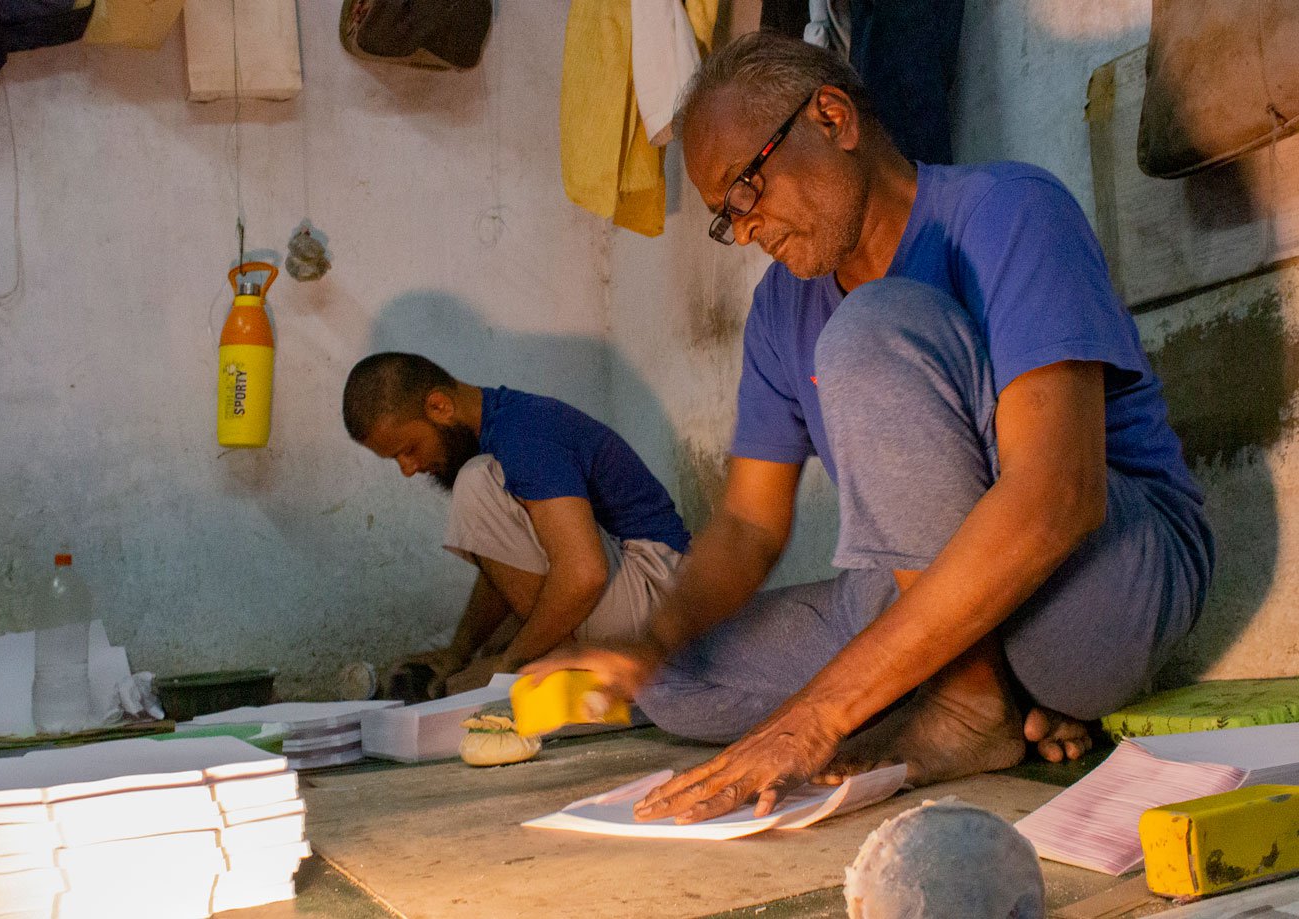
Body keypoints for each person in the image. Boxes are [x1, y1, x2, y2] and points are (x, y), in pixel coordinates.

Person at [524, 32, 1213, 824]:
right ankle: (979, 695)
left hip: (1099, 576)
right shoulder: (781, 308)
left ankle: (968, 703)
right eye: (724, 218)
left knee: (868, 330)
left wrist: (814, 717)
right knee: (678, 681)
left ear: (831, 117)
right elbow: (749, 521)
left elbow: (1058, 496)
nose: (745, 230)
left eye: (747, 189)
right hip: (921, 586)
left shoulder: (1010, 210)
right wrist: (648, 643)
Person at [342, 352, 691, 700]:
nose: (408, 469)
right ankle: (544, 662)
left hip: (660, 592)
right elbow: (506, 574)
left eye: (409, 449)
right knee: (452, 660)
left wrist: (508, 663)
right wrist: (459, 653)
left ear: (439, 407)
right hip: (637, 592)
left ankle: (573, 665)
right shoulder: (502, 430)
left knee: (475, 481)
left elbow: (585, 573)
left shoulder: (521, 437)